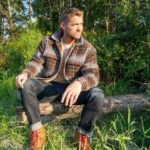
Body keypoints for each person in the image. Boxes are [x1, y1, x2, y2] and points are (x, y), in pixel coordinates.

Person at [15, 7, 104, 150]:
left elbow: (93, 74)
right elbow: (36, 62)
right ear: (63, 25)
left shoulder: (88, 48)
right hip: (47, 87)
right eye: (74, 25)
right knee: (27, 85)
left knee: (97, 95)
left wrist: (79, 83)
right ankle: (37, 132)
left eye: (81, 24)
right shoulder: (47, 42)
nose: (79, 28)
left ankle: (81, 136)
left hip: (70, 91)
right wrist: (25, 73)